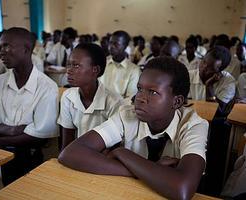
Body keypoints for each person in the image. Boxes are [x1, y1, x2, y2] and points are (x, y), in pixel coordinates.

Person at [58, 57, 209, 200]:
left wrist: (121, 153)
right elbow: (70, 153)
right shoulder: (127, 115)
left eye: (153, 92)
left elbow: (182, 189)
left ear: (177, 102)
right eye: (139, 89)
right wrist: (150, 170)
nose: (140, 98)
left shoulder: (194, 125)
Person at [0, 27, 58, 185]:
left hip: (29, 157)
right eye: (0, 46)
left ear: (27, 49)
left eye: (7, 46)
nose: (1, 51)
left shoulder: (47, 86)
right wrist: (15, 129)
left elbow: (38, 137)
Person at [58, 43, 122, 150]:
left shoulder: (114, 102)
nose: (69, 70)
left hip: (102, 161)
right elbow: (67, 143)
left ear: (95, 70)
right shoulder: (68, 96)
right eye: (68, 64)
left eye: (76, 65)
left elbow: (113, 149)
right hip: (75, 156)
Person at [189, 46, 235, 116]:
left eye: (210, 67)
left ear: (220, 71)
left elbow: (217, 113)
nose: (204, 67)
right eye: (204, 61)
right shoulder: (189, 75)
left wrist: (209, 86)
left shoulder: (228, 82)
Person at [99, 30, 141, 98]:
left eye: (116, 44)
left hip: (120, 107)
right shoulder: (103, 62)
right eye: (110, 43)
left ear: (125, 46)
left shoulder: (134, 70)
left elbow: (130, 98)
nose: (111, 46)